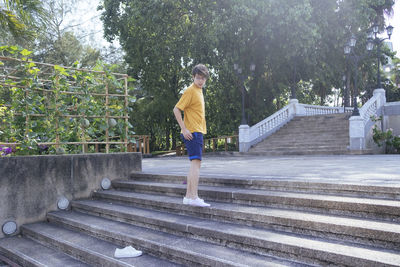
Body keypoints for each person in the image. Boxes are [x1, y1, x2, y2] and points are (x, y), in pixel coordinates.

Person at [173, 64, 210, 207]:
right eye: (198, 78)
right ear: (193, 77)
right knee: (196, 164)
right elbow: (176, 109)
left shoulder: (199, 91)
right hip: (193, 132)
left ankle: (188, 197)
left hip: (197, 131)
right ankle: (194, 197)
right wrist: (184, 129)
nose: (201, 81)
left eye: (203, 78)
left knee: (194, 164)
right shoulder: (190, 91)